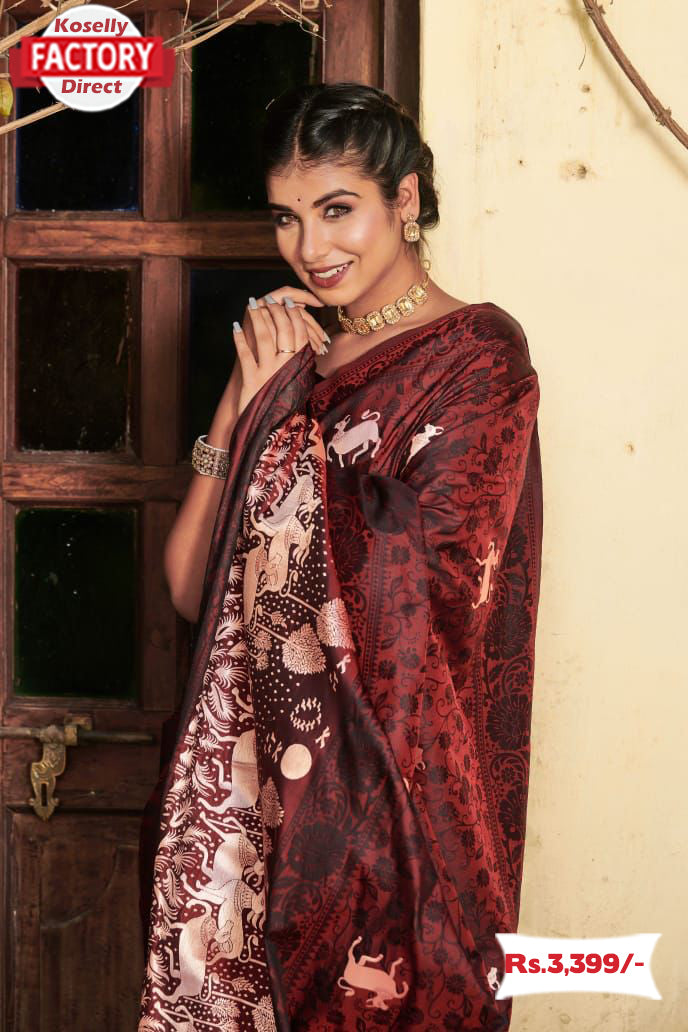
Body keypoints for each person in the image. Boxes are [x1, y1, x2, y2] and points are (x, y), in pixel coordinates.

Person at [138, 81, 543, 1032]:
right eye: (287, 217)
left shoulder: (478, 357)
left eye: (336, 209)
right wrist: (239, 409)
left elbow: (441, 583)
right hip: (251, 808)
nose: (309, 247)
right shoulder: (293, 362)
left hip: (390, 796)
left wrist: (282, 443)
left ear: (405, 199)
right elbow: (192, 589)